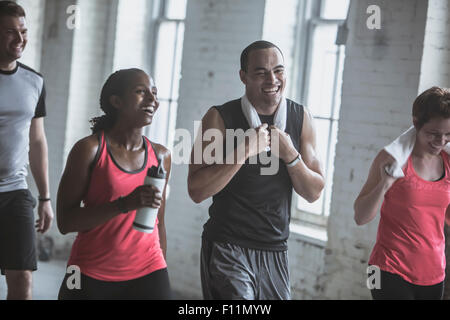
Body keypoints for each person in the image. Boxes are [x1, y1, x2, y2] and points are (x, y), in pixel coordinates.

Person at [188, 40, 325, 300]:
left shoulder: (300, 117)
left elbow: (314, 192)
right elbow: (196, 189)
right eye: (261, 72)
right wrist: (243, 150)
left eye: (279, 70)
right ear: (244, 76)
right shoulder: (218, 118)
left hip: (275, 250)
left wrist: (290, 155)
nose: (272, 79)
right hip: (228, 246)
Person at [56, 68, 172, 300]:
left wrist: (161, 270)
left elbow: (158, 223)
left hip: (148, 268)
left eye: (155, 93)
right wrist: (123, 205)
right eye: (141, 92)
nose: (152, 100)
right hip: (87, 270)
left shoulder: (161, 156)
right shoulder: (89, 150)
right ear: (116, 101)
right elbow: (65, 222)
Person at [354, 87, 450, 300]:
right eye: (433, 134)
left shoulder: (448, 162)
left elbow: (443, 215)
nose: (440, 142)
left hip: (434, 272)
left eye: (448, 135)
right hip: (384, 270)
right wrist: (384, 185)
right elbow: (360, 217)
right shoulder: (391, 159)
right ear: (416, 122)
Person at [0, 1, 54, 300]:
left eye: (23, 31)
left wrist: (45, 197)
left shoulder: (34, 81)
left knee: (22, 280)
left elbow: (37, 141)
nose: (19, 39)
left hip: (16, 192)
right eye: (10, 32)